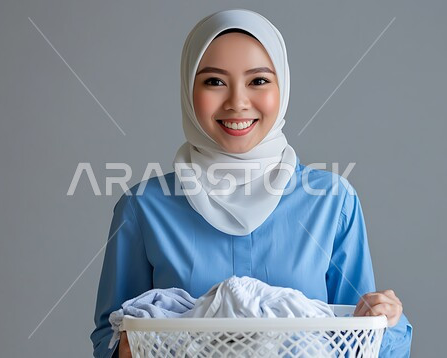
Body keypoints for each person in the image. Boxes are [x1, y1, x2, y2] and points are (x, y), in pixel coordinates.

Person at [90, 8, 412, 358]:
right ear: (187, 88)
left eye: (258, 81)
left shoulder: (332, 201)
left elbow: (360, 341)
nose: (237, 102)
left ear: (282, 86)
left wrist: (386, 320)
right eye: (214, 81)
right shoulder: (143, 207)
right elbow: (109, 337)